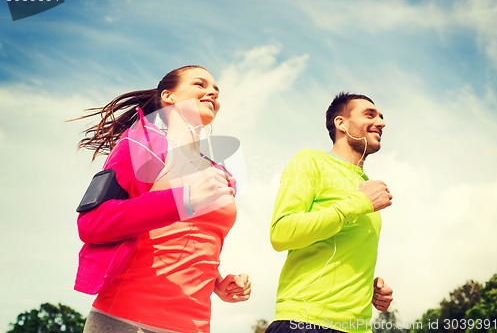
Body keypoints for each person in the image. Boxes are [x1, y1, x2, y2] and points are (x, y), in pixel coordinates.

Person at [72, 65, 251, 333]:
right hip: (126, 320)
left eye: (216, 90)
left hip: (194, 325)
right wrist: (183, 199)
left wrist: (218, 283)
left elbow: (189, 239)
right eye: (200, 85)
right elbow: (91, 223)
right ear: (169, 96)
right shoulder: (141, 146)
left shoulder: (220, 172)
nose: (212, 92)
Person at [265, 92, 394, 333]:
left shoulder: (367, 187)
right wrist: (357, 203)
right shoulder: (310, 161)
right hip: (305, 322)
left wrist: (370, 288)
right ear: (341, 123)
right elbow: (280, 233)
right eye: (370, 114)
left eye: (381, 117)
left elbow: (340, 250)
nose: (381, 122)